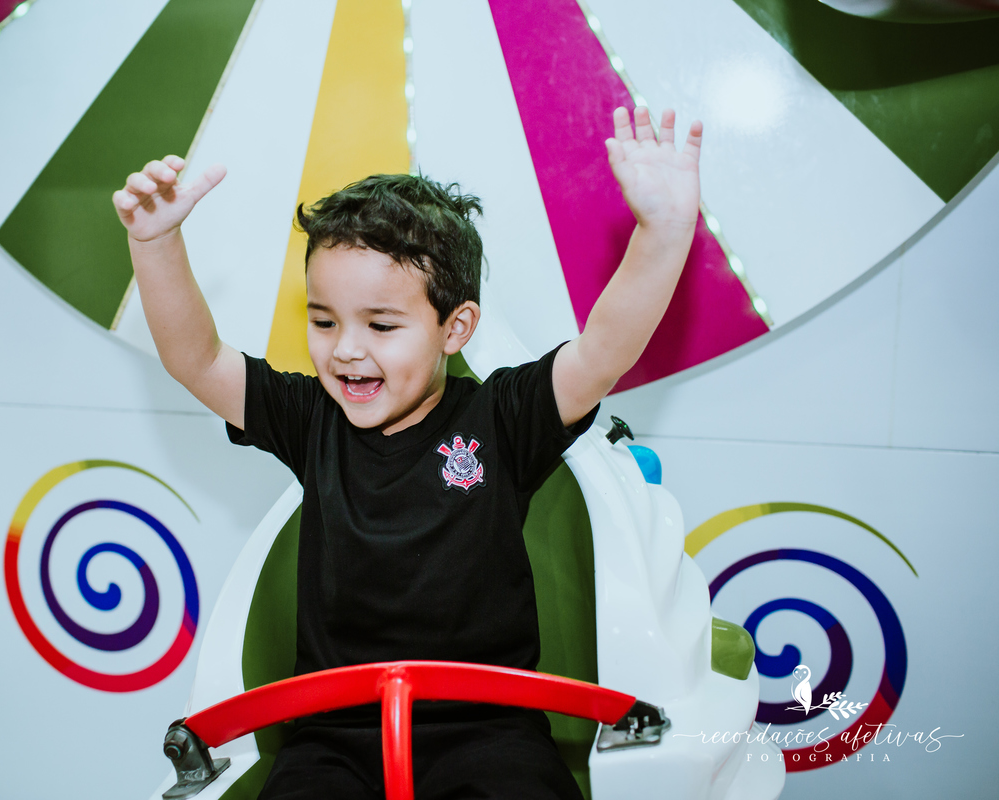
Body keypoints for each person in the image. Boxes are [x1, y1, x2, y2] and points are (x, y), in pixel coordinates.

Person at [112, 105, 702, 799]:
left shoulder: (502, 418)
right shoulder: (311, 419)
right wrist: (155, 244)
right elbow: (197, 358)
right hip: (332, 740)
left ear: (457, 328)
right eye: (323, 320)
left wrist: (663, 231)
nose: (347, 348)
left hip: (489, 732)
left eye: (382, 324)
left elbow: (603, 351)